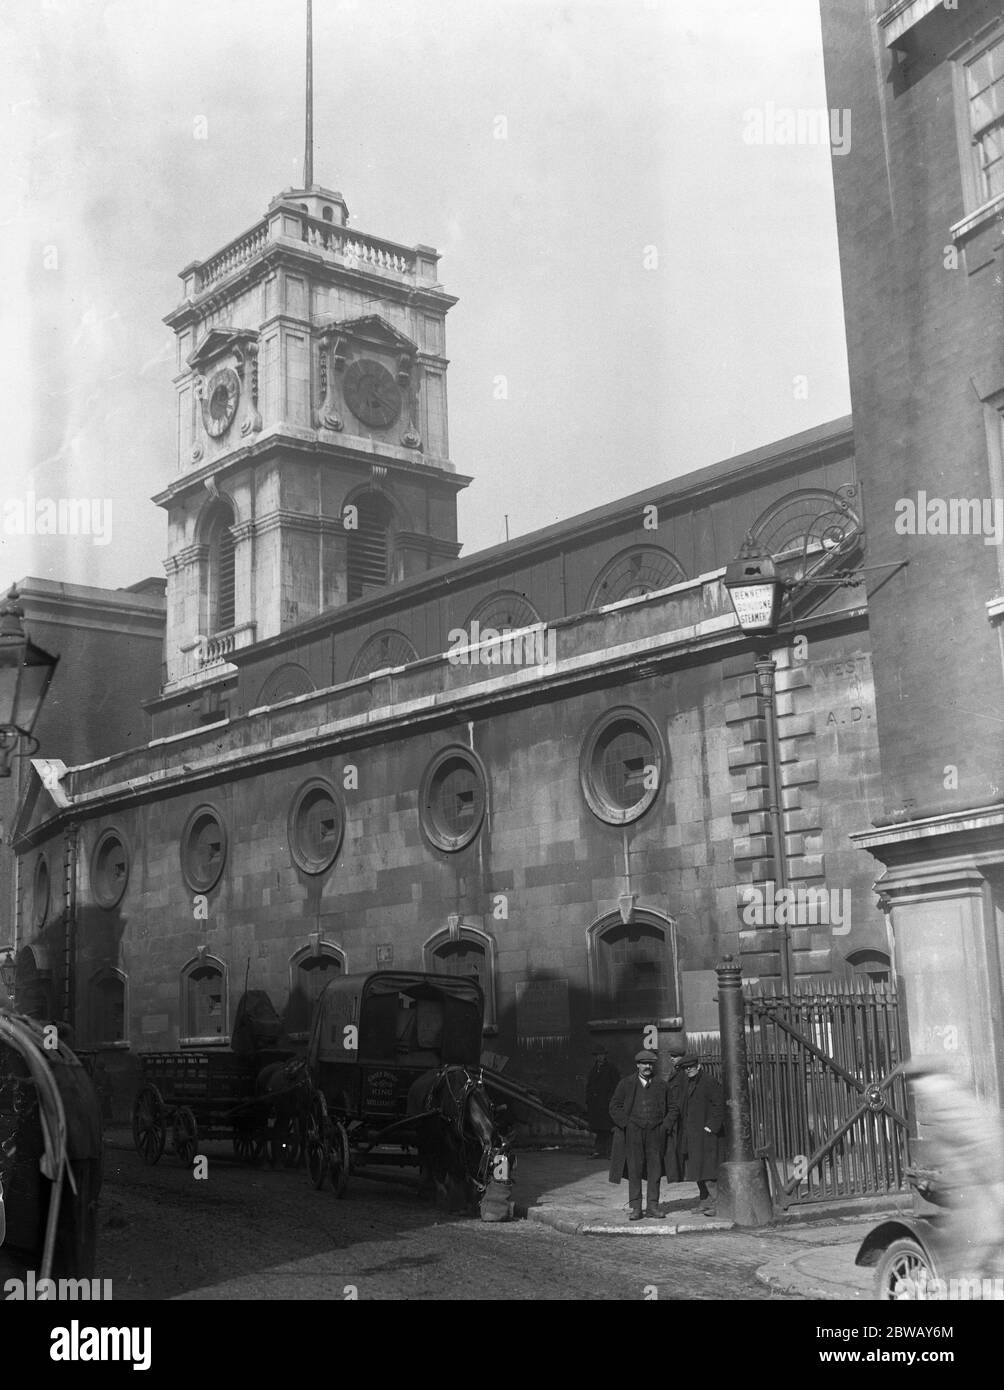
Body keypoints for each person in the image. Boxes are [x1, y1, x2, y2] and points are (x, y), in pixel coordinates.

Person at [608, 1049, 671, 1219]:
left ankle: (653, 1207)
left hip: (655, 1133)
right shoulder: (626, 1084)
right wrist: (627, 1124)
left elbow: (673, 1108)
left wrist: (664, 1126)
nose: (647, 1066)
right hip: (633, 1133)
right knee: (634, 1170)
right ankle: (636, 1208)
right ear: (638, 1065)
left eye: (650, 1063)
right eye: (644, 1063)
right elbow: (614, 1106)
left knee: (655, 1171)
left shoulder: (661, 1084)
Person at [672, 1053, 724, 1215]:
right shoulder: (687, 1083)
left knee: (708, 1172)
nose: (688, 1070)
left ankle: (719, 1204)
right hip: (691, 1135)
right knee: (696, 1170)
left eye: (691, 1067)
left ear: (698, 1066)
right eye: (686, 1068)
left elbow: (719, 1105)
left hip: (706, 1135)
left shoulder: (709, 1082)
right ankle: (705, 1201)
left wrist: (711, 1127)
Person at [585, 1044, 619, 1159]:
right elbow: (589, 1086)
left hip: (606, 1104)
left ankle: (610, 1152)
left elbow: (616, 1085)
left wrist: (611, 1099)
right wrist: (589, 1100)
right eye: (598, 1055)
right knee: (599, 1129)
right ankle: (599, 1151)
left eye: (602, 1055)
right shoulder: (594, 1069)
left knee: (609, 1129)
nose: (600, 1057)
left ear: (605, 1056)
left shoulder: (611, 1068)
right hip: (596, 1105)